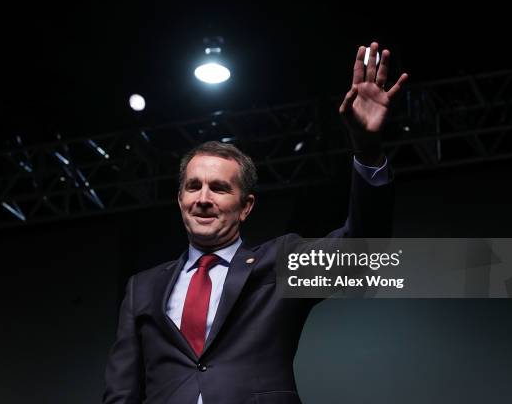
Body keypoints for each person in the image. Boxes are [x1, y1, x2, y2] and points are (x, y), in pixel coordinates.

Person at [103, 42, 408, 404]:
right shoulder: (143, 288)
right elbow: (121, 393)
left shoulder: (278, 264)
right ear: (180, 199)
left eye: (218, 188)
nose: (203, 198)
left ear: (246, 206)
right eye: (193, 186)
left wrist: (367, 148)